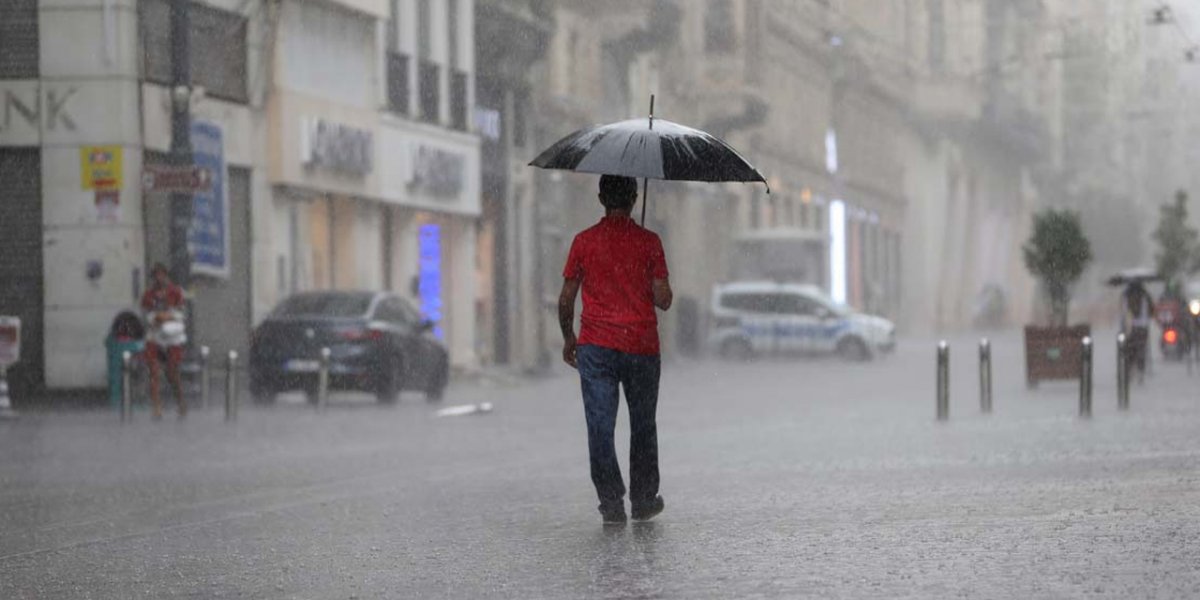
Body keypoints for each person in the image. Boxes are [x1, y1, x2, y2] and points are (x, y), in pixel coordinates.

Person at [558, 175, 673, 524]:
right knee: (642, 425)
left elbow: (566, 299)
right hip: (640, 346)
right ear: (635, 199)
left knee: (600, 426)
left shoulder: (584, 242)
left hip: (596, 347)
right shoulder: (649, 242)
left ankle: (611, 502)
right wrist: (647, 276)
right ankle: (642, 500)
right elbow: (663, 299)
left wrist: (568, 338)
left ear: (600, 198)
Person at [141, 263, 188, 419]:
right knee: (154, 372)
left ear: (167, 276)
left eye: (162, 275)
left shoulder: (176, 292)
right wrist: (155, 318)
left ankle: (180, 401)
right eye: (156, 276)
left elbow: (182, 314)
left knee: (172, 373)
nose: (159, 279)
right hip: (155, 336)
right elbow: (146, 315)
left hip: (172, 338)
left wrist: (169, 316)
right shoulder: (148, 295)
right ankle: (157, 407)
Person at [1120, 281, 1154, 383]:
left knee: (1130, 349)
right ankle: (1140, 372)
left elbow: (1124, 312)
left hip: (1130, 327)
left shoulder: (1126, 296)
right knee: (1141, 349)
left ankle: (1130, 371)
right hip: (1143, 327)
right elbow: (1151, 311)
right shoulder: (1146, 296)